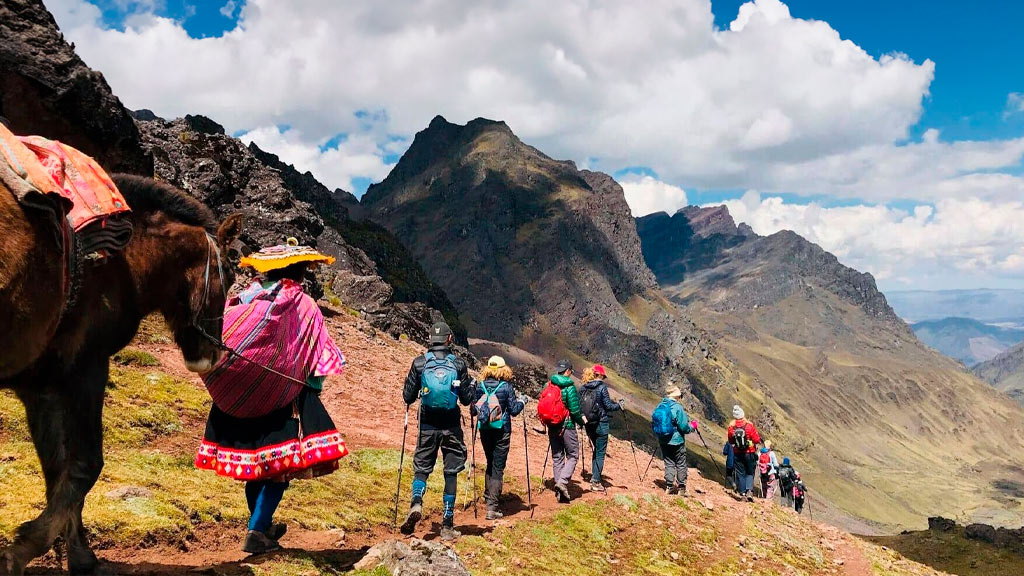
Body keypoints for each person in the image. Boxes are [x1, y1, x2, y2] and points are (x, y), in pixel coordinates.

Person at [195, 240, 348, 555]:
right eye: (304, 269)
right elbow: (316, 353)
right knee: (277, 467)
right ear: (296, 270)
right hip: (280, 396)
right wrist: (310, 391)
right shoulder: (300, 303)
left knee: (257, 462)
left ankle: (263, 524)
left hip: (234, 396)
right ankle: (256, 529)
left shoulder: (241, 299)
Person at [400, 321, 475, 541]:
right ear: (449, 339)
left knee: (422, 468)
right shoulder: (459, 365)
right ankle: (447, 525)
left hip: (427, 425)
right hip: (451, 425)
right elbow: (466, 398)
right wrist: (472, 388)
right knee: (450, 472)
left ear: (430, 339)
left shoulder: (420, 363)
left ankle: (416, 501)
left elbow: (407, 396)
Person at [471, 355, 525, 520]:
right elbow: (514, 410)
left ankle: (488, 496)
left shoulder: (480, 386)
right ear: (503, 369)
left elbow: (474, 409)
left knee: (489, 462)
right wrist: (523, 401)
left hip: (485, 429)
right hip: (502, 430)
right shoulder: (506, 387)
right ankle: (492, 508)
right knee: (498, 467)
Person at [537, 359, 585, 503]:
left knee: (557, 456)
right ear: (568, 371)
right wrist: (581, 421)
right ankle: (562, 482)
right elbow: (575, 410)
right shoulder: (569, 387)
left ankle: (559, 492)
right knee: (573, 455)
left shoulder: (549, 384)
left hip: (552, 425)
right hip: (567, 426)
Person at [579, 364, 622, 492]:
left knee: (596, 450)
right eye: (604, 376)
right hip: (601, 423)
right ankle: (596, 481)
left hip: (588, 423)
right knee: (600, 452)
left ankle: (595, 476)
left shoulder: (583, 387)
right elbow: (608, 406)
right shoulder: (602, 387)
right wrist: (619, 405)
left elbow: (579, 406)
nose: (604, 379)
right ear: (601, 375)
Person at [650, 384, 699, 495]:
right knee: (681, 463)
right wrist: (693, 427)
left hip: (663, 439)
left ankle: (669, 486)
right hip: (677, 441)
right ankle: (681, 488)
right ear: (676, 396)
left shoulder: (660, 405)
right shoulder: (677, 408)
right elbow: (684, 427)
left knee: (669, 463)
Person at [727, 405, 762, 502]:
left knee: (740, 473)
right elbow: (756, 439)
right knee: (749, 472)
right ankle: (749, 491)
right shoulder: (749, 425)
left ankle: (742, 494)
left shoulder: (731, 427)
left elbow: (730, 441)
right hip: (749, 452)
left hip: (737, 453)